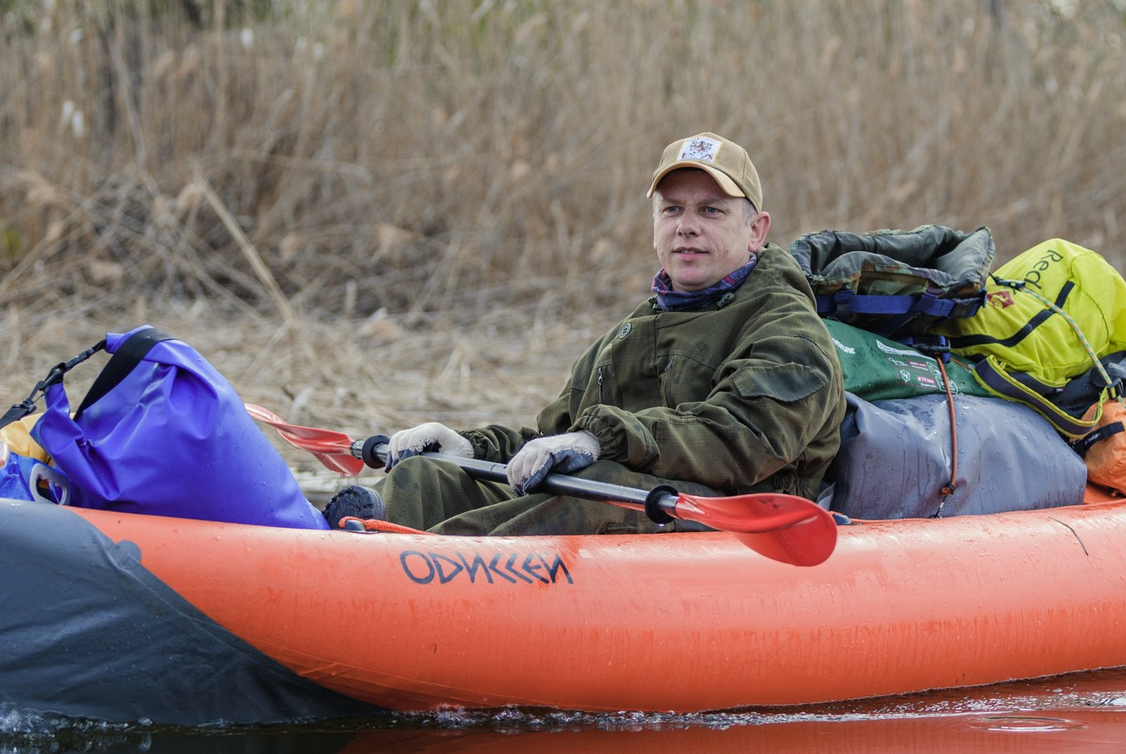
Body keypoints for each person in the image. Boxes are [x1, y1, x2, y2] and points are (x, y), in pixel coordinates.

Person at [360, 133, 846, 536]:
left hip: (737, 528)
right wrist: (470, 448)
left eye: (711, 211)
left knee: (607, 485)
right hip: (626, 501)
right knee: (426, 477)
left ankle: (422, 579)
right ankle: (343, 541)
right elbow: (553, 440)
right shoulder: (627, 335)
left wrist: (602, 439)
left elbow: (740, 440)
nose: (686, 228)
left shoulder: (790, 330)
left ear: (756, 230)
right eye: (671, 210)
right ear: (655, 224)